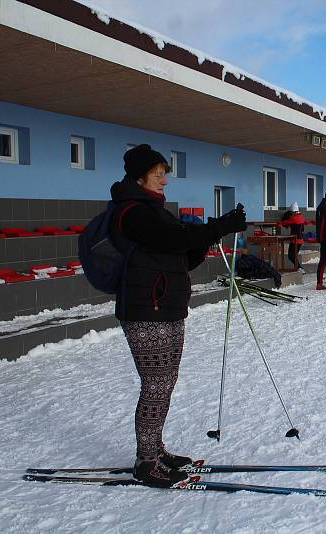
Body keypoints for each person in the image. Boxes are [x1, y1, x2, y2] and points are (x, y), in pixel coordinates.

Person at [108, 144, 247, 487]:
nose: (164, 181)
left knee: (164, 384)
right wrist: (216, 227)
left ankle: (156, 449)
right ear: (139, 176)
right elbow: (170, 239)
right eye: (158, 174)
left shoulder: (155, 210)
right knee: (155, 384)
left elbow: (179, 256)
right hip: (145, 311)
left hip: (166, 307)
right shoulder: (132, 211)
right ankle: (145, 461)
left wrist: (206, 238)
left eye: (164, 174)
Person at [279, 202, 305, 271]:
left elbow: (285, 223)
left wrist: (278, 223)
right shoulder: (301, 217)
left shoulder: (294, 218)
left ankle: (299, 268)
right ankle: (298, 268)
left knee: (291, 256)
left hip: (295, 240)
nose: (291, 215)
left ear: (293, 212)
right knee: (294, 255)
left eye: (291, 213)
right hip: (300, 240)